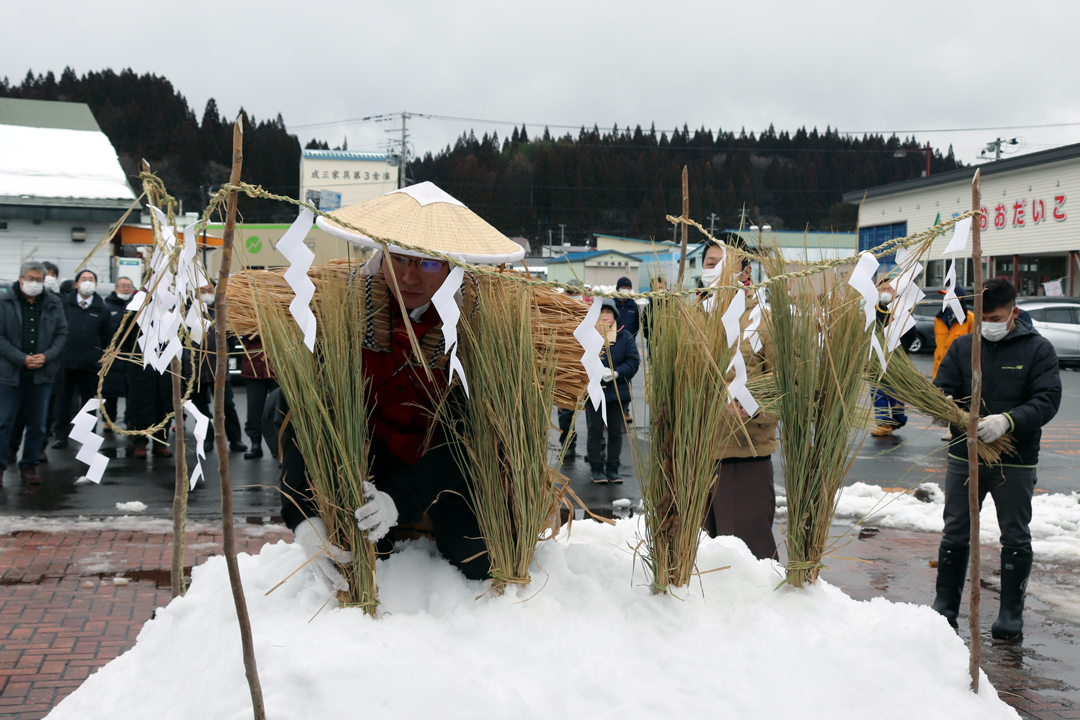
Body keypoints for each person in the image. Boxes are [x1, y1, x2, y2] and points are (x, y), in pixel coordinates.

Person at [277, 183, 529, 587]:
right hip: (368, 453)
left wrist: (400, 500)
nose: (410, 276)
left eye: (429, 264)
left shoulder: (477, 329)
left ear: (454, 267)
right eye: (399, 258)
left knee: (481, 560)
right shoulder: (345, 312)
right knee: (356, 552)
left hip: (442, 463)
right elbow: (302, 411)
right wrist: (303, 516)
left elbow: (465, 435)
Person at [931, 278, 1061, 640]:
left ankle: (1009, 615)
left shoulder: (1038, 350)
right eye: (983, 316)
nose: (988, 323)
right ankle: (945, 608)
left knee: (1015, 535)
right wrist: (946, 407)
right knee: (956, 529)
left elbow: (1047, 400)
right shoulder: (962, 347)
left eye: (996, 316)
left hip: (1014, 461)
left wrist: (1008, 421)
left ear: (1013, 313)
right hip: (964, 456)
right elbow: (943, 388)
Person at [697, 240, 779, 560]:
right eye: (708, 262)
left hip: (744, 460)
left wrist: (753, 407)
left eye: (722, 263)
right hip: (698, 458)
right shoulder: (694, 317)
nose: (713, 270)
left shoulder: (763, 321)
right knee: (699, 564)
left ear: (744, 272)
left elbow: (790, 385)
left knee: (747, 563)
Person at [0, 261, 68, 484]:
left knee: (37, 426)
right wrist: (22, 358)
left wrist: (47, 356)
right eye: (30, 279)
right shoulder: (5, 301)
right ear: (20, 279)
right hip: (9, 374)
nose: (35, 283)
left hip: (42, 374)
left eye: (39, 280)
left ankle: (29, 467)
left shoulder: (53, 303)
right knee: (4, 423)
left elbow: (62, 334)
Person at [52, 270, 110, 448]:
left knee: (88, 402)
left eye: (91, 279)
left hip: (89, 363)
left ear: (96, 285)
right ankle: (61, 436)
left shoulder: (102, 309)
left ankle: (88, 437)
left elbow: (106, 338)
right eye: (83, 279)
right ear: (76, 284)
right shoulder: (64, 305)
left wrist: (100, 358)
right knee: (63, 401)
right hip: (65, 362)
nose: (87, 282)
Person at [186, 283, 246, 453]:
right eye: (202, 291)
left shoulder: (222, 312)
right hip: (195, 369)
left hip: (218, 368)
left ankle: (235, 440)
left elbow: (232, 337)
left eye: (209, 290)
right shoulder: (188, 314)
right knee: (200, 407)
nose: (206, 294)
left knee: (226, 404)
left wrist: (223, 351)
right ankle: (206, 438)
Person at [585, 298, 640, 483]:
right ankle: (596, 468)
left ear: (615, 315)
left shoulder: (625, 336)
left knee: (616, 432)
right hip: (595, 391)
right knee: (595, 430)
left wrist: (617, 373)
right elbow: (580, 361)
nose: (605, 316)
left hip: (618, 392)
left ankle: (613, 468)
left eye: (608, 312)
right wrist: (596, 372)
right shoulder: (589, 336)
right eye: (601, 312)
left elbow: (633, 362)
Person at [869, 280, 908, 438]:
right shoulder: (872, 310)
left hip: (896, 359)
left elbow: (909, 333)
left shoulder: (901, 310)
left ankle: (898, 419)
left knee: (894, 392)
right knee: (877, 390)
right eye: (883, 288)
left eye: (889, 289)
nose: (886, 291)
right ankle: (884, 423)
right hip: (877, 358)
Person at [100, 277, 136, 431]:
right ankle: (108, 420)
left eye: (129, 286)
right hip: (112, 355)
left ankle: (130, 419)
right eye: (123, 286)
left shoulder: (135, 307)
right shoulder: (107, 307)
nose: (126, 289)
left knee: (132, 392)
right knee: (110, 391)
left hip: (131, 355)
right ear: (116, 288)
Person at [238, 335, 277, 459]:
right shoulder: (248, 315)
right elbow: (246, 333)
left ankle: (279, 447)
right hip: (253, 368)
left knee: (278, 411)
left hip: (276, 367)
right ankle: (255, 445)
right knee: (254, 410)